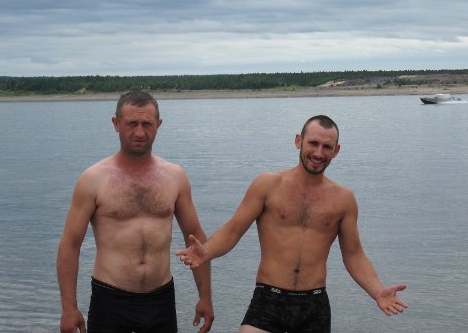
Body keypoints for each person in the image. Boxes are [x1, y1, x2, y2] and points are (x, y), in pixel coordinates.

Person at [176, 115, 407, 332]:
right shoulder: (268, 185)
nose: (318, 153)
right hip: (268, 298)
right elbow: (233, 231)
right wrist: (206, 252)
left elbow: (354, 255)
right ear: (299, 141)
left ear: (336, 151)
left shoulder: (343, 199)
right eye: (313, 143)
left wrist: (377, 291)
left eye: (327, 147)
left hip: (314, 304)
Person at [57, 91, 214, 333]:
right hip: (110, 300)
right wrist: (69, 307)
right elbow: (70, 244)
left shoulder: (175, 177)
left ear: (158, 125)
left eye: (147, 124)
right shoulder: (93, 179)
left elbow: (195, 238)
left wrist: (205, 296)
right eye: (132, 123)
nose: (139, 132)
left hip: (160, 299)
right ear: (116, 124)